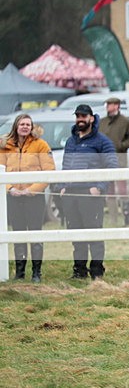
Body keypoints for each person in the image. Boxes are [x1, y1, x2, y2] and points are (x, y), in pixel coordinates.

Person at [56, 104, 118, 280]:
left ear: (91, 118)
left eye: (83, 116)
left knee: (94, 232)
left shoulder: (102, 141)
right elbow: (66, 166)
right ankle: (79, 269)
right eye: (77, 116)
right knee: (75, 233)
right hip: (70, 194)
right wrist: (62, 185)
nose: (80, 119)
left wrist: (99, 186)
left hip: (90, 194)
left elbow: (112, 165)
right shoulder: (70, 141)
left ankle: (97, 270)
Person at [0, 114, 55, 282]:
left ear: (32, 127)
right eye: (22, 124)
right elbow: (1, 169)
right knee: (18, 233)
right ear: (16, 126)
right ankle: (20, 271)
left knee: (35, 233)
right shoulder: (4, 146)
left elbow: (48, 172)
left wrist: (31, 190)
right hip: (14, 197)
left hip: (34, 197)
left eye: (28, 124)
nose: (25, 127)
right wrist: (10, 189)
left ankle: (36, 272)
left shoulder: (41, 145)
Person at [99, 96, 129, 226]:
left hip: (119, 160)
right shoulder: (101, 122)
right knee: (109, 192)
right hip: (105, 161)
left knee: (122, 191)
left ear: (116, 106)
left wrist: (121, 145)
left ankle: (127, 218)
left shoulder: (125, 122)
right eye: (107, 104)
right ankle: (113, 219)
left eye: (109, 104)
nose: (107, 107)